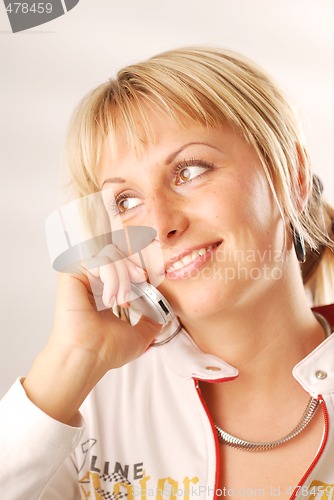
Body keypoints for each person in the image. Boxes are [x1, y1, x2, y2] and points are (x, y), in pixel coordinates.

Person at [1, 46, 334, 500]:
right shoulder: (82, 407)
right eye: (126, 201)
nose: (160, 225)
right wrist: (71, 362)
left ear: (291, 176)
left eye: (189, 171)